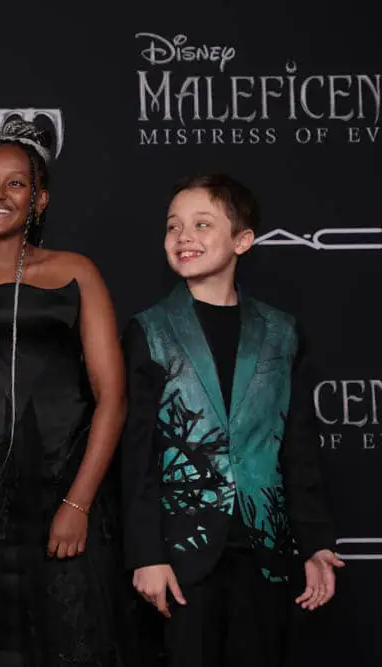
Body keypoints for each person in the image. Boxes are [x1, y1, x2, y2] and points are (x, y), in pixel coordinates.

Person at [0, 118, 131, 666]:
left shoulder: (75, 271)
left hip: (62, 483)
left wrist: (78, 503)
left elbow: (112, 397)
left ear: (39, 200)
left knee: (70, 636)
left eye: (15, 183)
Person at [121, 173, 343, 667]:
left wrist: (315, 544)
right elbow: (137, 454)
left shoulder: (282, 333)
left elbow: (298, 447)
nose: (184, 236)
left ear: (242, 240)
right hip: (182, 554)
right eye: (173, 226)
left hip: (265, 549)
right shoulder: (149, 331)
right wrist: (146, 553)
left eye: (202, 224)